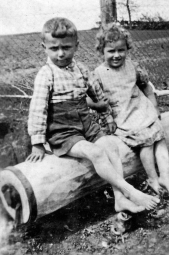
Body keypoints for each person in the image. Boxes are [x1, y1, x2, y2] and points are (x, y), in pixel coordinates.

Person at [27, 17, 160, 213]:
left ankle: (119, 199)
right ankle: (129, 190)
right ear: (44, 47)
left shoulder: (81, 69)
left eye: (67, 47)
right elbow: (38, 110)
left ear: (76, 46)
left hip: (86, 125)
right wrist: (37, 143)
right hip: (63, 132)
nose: (61, 53)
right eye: (54, 48)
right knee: (96, 152)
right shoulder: (46, 74)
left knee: (111, 147)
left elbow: (98, 94)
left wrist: (106, 117)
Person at [90, 23, 169, 198]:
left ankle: (165, 176)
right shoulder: (98, 73)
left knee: (159, 138)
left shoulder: (131, 66)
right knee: (146, 141)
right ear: (102, 51)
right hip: (122, 115)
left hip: (140, 109)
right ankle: (152, 177)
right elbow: (88, 98)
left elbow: (147, 87)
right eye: (111, 51)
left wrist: (154, 106)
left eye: (121, 50)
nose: (116, 55)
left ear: (127, 49)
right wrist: (98, 106)